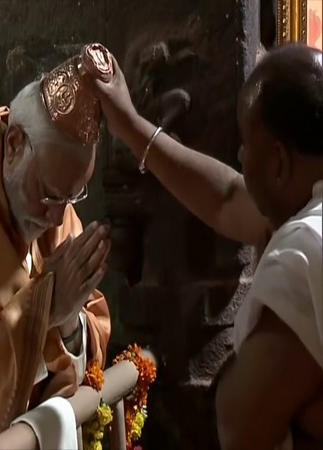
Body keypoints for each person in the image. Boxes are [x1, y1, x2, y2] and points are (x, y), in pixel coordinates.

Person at [92, 44, 323, 449]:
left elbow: (241, 426)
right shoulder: (306, 200)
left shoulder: (304, 251)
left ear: (280, 163)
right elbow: (227, 198)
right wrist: (128, 124)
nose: (238, 156)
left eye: (247, 144)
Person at [0, 44, 113, 442]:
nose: (57, 217)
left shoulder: (55, 198)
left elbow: (89, 338)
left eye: (73, 198)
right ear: (15, 144)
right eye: (50, 195)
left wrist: (69, 322)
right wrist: (41, 311)